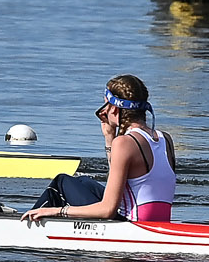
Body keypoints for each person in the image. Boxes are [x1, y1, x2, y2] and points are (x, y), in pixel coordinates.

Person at [25, 76, 178, 225]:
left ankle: (29, 224)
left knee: (62, 183)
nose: (103, 111)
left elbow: (107, 210)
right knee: (83, 182)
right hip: (158, 222)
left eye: (105, 104)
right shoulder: (165, 138)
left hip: (133, 226)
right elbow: (123, 184)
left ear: (115, 109)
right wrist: (109, 136)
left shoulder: (125, 143)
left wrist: (57, 211)